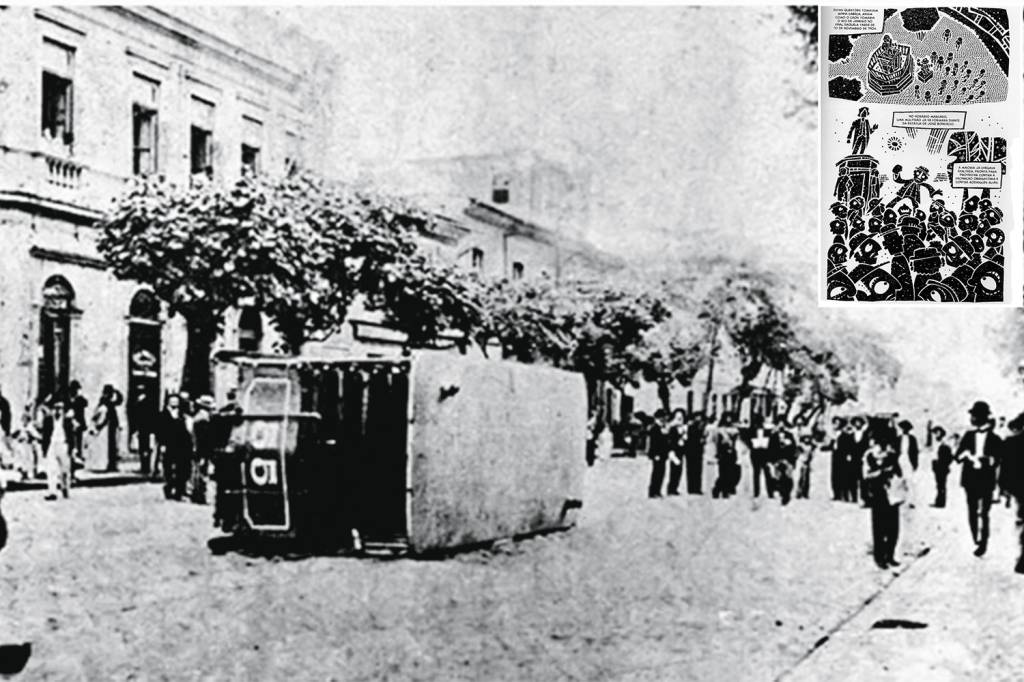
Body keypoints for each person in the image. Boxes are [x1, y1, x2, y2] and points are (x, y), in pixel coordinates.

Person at [955, 400, 1003, 557]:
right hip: (970, 479)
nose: (972, 419)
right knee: (972, 510)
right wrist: (966, 455)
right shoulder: (968, 436)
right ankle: (975, 536)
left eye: (974, 416)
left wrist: (987, 459)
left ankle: (983, 543)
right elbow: (957, 456)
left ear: (983, 417)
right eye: (972, 416)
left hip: (986, 479)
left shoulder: (995, 439)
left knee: (985, 513)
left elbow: (999, 459)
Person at [863, 433, 906, 569]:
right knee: (879, 528)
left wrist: (893, 472)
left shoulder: (892, 456)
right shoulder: (869, 457)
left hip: (892, 495)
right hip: (877, 495)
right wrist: (881, 472)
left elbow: (900, 474)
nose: (879, 447)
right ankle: (880, 557)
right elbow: (866, 475)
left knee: (893, 528)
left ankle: (890, 555)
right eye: (876, 444)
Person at [998, 413, 1024, 574]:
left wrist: (1005, 488)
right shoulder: (1011, 442)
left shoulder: (1011, 442)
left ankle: (1023, 556)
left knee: (1022, 521)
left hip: (1021, 489)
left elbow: (1005, 469)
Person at [157, 394, 193, 501]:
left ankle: (178, 491)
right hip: (168, 445)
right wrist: (162, 444)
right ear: (168, 402)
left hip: (181, 446)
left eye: (176, 401)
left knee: (181, 469)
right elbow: (160, 431)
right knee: (168, 467)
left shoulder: (182, 415)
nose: (174, 403)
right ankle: (168, 487)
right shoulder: (163, 415)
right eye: (172, 401)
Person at [89, 385, 124, 473]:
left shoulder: (107, 401)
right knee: (111, 446)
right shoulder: (106, 402)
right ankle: (111, 464)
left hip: (111, 425)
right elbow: (118, 402)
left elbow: (119, 401)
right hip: (109, 426)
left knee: (112, 446)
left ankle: (112, 464)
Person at [189, 395, 216, 504]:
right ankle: (200, 495)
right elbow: (204, 439)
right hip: (202, 450)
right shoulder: (204, 420)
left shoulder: (198, 417)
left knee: (197, 472)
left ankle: (197, 494)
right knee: (202, 473)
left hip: (197, 449)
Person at [44, 399, 72, 501]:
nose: (57, 411)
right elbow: (45, 435)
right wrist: (45, 449)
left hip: (63, 444)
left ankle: (65, 487)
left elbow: (71, 436)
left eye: (60, 408)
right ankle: (52, 492)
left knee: (65, 470)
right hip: (52, 444)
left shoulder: (67, 421)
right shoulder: (48, 420)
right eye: (55, 408)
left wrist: (72, 449)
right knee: (51, 469)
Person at [744, 413, 774, 499]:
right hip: (755, 452)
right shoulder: (751, 431)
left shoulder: (767, 431)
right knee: (756, 473)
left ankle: (770, 492)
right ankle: (756, 492)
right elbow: (747, 440)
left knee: (767, 473)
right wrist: (752, 446)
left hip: (764, 452)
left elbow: (771, 441)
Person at [712, 413, 740, 498]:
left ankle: (726, 490)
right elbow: (716, 442)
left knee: (731, 473)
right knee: (723, 473)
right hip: (722, 453)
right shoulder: (719, 430)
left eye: (730, 418)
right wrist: (716, 453)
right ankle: (718, 489)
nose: (729, 420)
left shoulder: (735, 430)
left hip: (732, 453)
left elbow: (736, 442)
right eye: (727, 418)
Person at [646, 410, 672, 498]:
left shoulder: (663, 428)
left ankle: (658, 490)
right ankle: (653, 491)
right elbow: (654, 443)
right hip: (657, 454)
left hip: (663, 454)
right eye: (663, 417)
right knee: (656, 473)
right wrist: (655, 454)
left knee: (661, 473)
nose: (665, 419)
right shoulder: (655, 428)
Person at [66, 381, 88, 472]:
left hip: (79, 426)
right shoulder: (68, 400)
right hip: (70, 427)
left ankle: (75, 468)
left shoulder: (80, 400)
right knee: (71, 448)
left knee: (77, 447)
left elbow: (85, 403)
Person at [683, 412, 706, 495]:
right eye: (697, 417)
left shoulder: (702, 427)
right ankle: (691, 488)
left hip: (698, 451)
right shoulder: (690, 427)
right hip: (691, 450)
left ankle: (697, 488)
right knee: (691, 470)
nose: (699, 419)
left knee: (698, 470)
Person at [931, 425, 953, 508]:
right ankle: (939, 500)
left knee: (942, 485)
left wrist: (945, 464)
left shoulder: (944, 444)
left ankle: (941, 502)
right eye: (935, 433)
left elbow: (949, 457)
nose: (936, 434)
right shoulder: (936, 443)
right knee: (939, 484)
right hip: (937, 466)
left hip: (942, 466)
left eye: (937, 433)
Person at [665, 409, 687, 495]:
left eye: (681, 418)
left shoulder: (684, 428)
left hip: (681, 450)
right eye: (678, 418)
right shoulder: (672, 429)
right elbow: (670, 440)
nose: (680, 420)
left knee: (679, 470)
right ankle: (671, 488)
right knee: (674, 469)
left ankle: (675, 488)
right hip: (674, 450)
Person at [830, 417, 848, 501]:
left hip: (842, 457)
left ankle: (843, 495)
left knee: (843, 475)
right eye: (834, 423)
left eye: (837, 423)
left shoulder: (845, 435)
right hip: (835, 456)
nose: (835, 425)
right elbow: (831, 446)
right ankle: (836, 494)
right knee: (834, 475)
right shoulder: (833, 436)